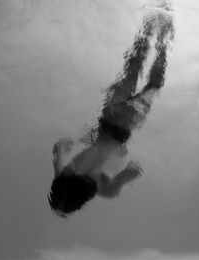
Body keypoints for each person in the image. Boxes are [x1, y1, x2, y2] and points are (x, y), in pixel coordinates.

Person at [48, 4, 174, 217]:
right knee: (132, 69)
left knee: (153, 86)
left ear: (80, 201)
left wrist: (124, 175)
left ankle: (163, 43)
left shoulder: (101, 187)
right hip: (107, 118)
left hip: (124, 126)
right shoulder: (65, 173)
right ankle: (149, 23)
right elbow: (57, 149)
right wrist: (66, 145)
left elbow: (133, 172)